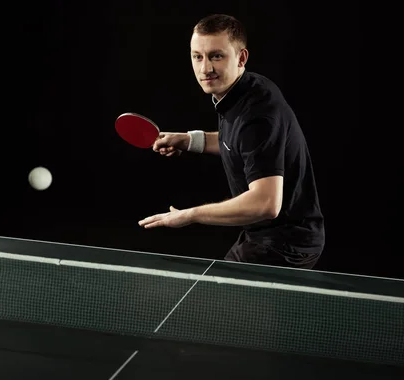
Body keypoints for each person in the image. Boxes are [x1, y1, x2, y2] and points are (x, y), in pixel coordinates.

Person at [138, 14, 325, 269]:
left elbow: (266, 203)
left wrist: (190, 215)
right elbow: (240, 143)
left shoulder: (257, 115)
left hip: (285, 244)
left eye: (216, 56)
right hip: (266, 234)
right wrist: (188, 140)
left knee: (222, 304)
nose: (205, 69)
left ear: (241, 57)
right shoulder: (246, 90)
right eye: (197, 56)